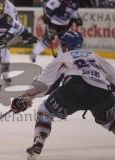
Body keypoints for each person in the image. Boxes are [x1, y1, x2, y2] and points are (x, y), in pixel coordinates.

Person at [11, 31, 115, 160]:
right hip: (101, 92)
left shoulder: (63, 57)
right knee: (110, 121)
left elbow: (43, 85)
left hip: (75, 89)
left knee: (45, 111)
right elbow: (113, 78)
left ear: (64, 46)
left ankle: (39, 140)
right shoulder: (95, 56)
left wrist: (24, 97)